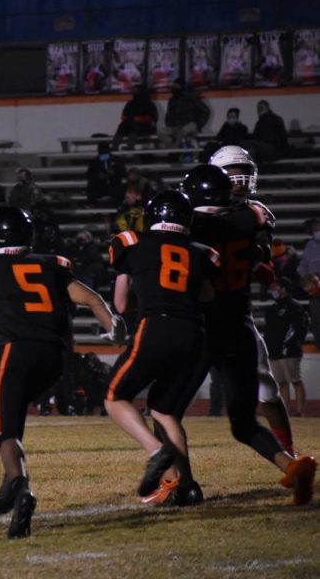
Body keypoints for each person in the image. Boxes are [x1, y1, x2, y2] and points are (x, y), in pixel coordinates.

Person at [0, 206, 124, 538]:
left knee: (6, 429)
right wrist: (113, 328)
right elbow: (90, 297)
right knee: (12, 417)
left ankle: (20, 488)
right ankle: (8, 484)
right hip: (55, 360)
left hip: (16, 353)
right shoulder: (53, 264)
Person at [180, 164, 317, 505]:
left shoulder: (196, 228)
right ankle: (292, 464)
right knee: (242, 422)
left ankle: (181, 485)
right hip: (239, 326)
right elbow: (261, 262)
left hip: (201, 327)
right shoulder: (249, 222)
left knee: (165, 412)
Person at [106, 190, 219, 506]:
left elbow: (120, 302)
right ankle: (187, 487)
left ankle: (157, 452)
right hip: (194, 335)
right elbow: (208, 296)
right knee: (164, 410)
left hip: (156, 326)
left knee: (115, 397)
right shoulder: (202, 252)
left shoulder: (130, 242)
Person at [209, 145, 301, 456]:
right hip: (207, 316)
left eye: (244, 176)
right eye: (232, 176)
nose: (239, 182)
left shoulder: (256, 214)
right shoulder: (253, 215)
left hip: (228, 313)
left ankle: (288, 453)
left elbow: (263, 268)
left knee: (268, 391)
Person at [264, 278, 308, 417]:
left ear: (284, 289)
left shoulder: (294, 306)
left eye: (276, 287)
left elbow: (299, 329)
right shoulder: (272, 308)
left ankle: (300, 410)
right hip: (274, 351)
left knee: (295, 380)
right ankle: (285, 410)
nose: (274, 290)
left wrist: (289, 345)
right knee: (282, 383)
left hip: (289, 351)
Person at [160, 80, 210, 148]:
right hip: (175, 127)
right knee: (161, 132)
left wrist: (198, 124)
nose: (174, 88)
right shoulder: (172, 100)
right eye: (173, 86)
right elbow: (168, 116)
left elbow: (206, 111)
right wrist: (171, 127)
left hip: (188, 126)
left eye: (176, 86)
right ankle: (172, 149)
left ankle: (175, 150)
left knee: (183, 131)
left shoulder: (191, 98)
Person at [112, 85, 158, 150]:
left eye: (137, 92)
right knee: (122, 126)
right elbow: (124, 116)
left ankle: (130, 146)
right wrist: (129, 120)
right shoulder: (130, 103)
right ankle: (114, 147)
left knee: (134, 127)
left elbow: (151, 118)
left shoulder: (149, 104)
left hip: (145, 126)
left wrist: (137, 119)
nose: (135, 94)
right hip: (130, 125)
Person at [298, 217, 320, 350]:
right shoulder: (310, 245)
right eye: (314, 228)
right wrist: (305, 277)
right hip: (315, 288)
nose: (316, 229)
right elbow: (304, 265)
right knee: (317, 320)